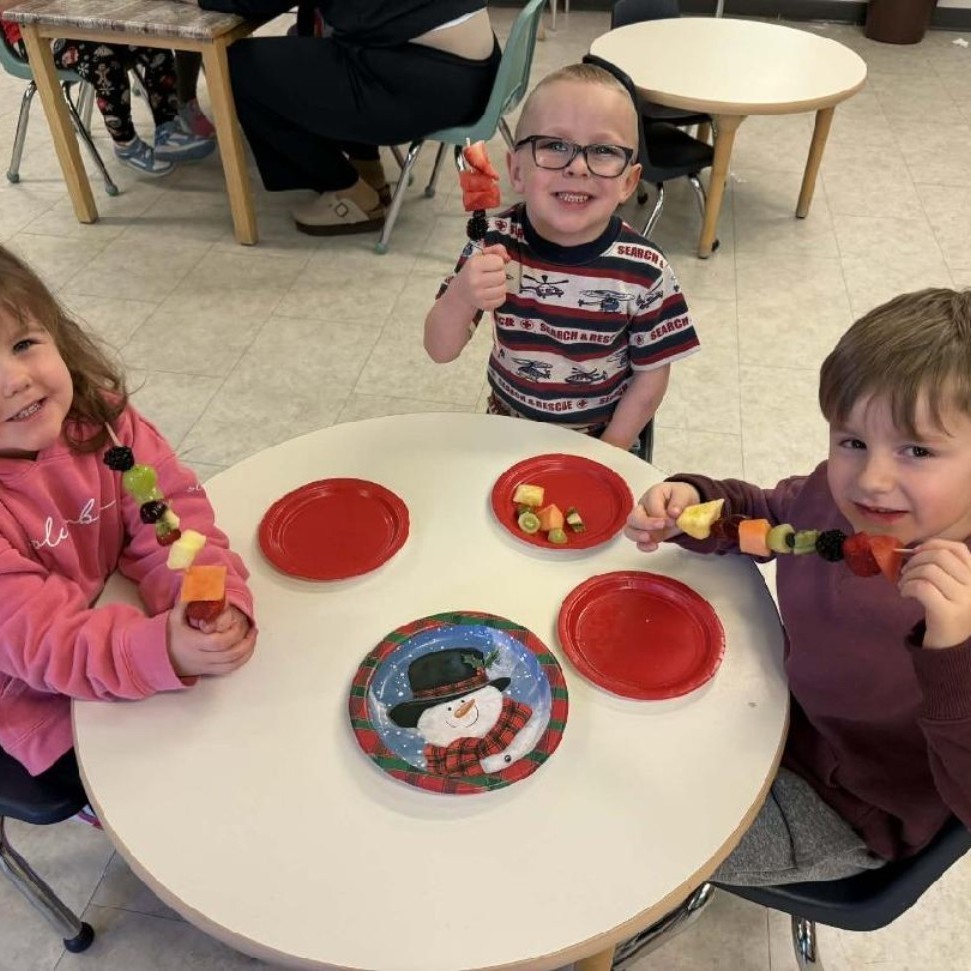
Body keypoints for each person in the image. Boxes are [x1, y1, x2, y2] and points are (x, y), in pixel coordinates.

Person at [620, 288, 971, 957]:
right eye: (852, 440)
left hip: (845, 807)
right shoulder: (840, 508)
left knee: (632, 832)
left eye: (917, 452)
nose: (869, 478)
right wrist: (695, 502)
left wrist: (951, 651)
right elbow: (766, 519)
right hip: (775, 712)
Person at [0, 246, 256, 779]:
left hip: (115, 623)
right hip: (30, 694)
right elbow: (41, 640)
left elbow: (170, 518)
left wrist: (210, 597)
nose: (14, 379)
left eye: (24, 343)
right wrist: (162, 649)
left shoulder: (101, 421)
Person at [424, 63, 698, 452]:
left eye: (603, 151)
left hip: (603, 438)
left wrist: (612, 448)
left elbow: (652, 375)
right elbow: (439, 349)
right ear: (516, 170)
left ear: (628, 182)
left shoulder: (646, 270)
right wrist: (460, 296)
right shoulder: (493, 244)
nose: (577, 166)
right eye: (554, 145)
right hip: (506, 428)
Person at [178, 0, 500, 236]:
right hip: (469, 73)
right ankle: (367, 171)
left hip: (422, 84)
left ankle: (347, 191)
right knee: (313, 41)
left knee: (236, 69)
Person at [0, 17, 216, 176]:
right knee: (105, 64)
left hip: (78, 21)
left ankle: (168, 128)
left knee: (153, 43)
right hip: (35, 35)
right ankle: (126, 144)